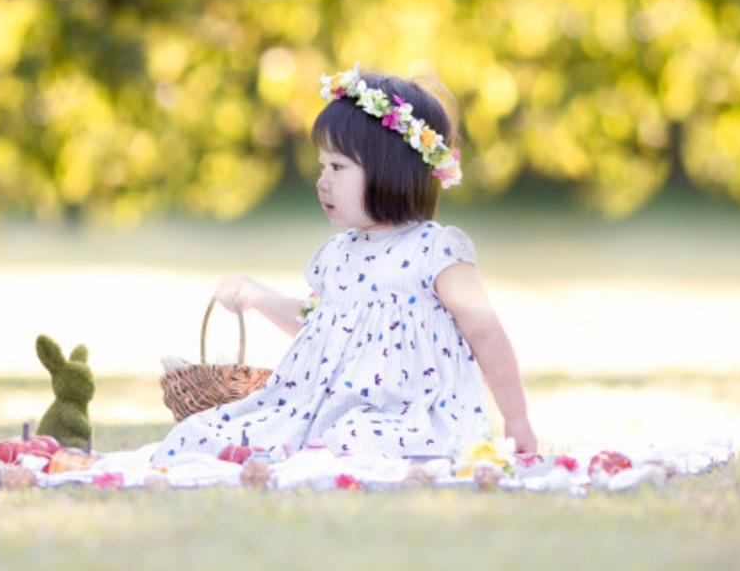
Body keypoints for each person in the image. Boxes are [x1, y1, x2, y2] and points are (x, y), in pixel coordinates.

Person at [152, 64, 537, 462]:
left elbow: (486, 334)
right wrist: (256, 295)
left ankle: (310, 454)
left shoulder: (435, 251)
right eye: (322, 166)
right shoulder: (336, 256)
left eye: (337, 167)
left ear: (393, 171)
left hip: (409, 418)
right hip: (322, 412)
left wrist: (516, 417)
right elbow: (315, 324)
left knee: (355, 436)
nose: (323, 181)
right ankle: (291, 451)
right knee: (201, 431)